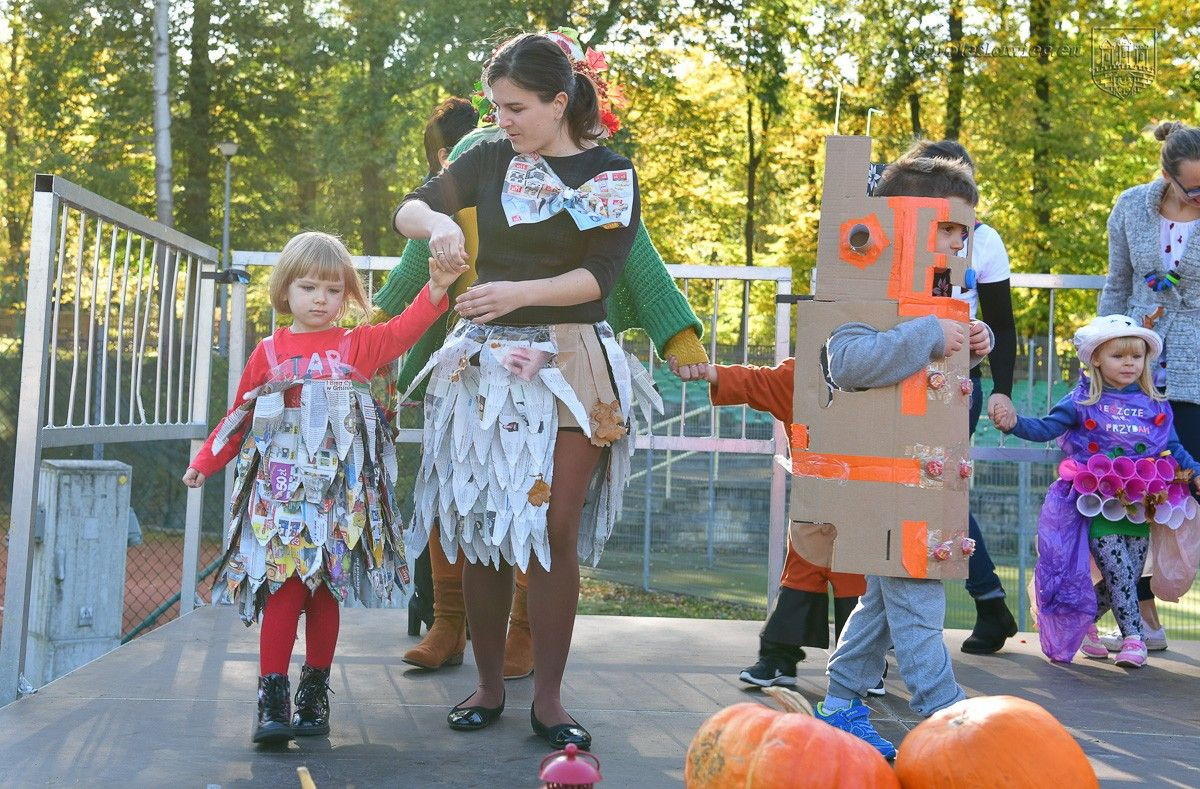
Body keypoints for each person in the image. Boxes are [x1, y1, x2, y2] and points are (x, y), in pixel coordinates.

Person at [375, 32, 706, 681]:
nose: (504, 117)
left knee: (542, 511)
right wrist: (383, 325)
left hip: (566, 356)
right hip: (475, 356)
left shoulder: (603, 171)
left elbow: (627, 258)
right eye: (498, 104)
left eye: (517, 105)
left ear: (562, 98)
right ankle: (448, 622)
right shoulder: (482, 150)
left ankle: (525, 631)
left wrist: (675, 330)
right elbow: (419, 229)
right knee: (456, 496)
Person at [182, 231, 459, 743]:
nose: (320, 299)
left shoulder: (358, 344)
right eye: (308, 287)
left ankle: (314, 694)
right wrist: (207, 460)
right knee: (284, 589)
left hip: (341, 500)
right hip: (281, 499)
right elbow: (240, 415)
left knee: (324, 592)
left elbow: (404, 331)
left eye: (333, 290)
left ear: (347, 296)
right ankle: (271, 699)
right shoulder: (268, 351)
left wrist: (437, 289)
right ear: (284, 290)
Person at [809, 153, 993, 760]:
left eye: (965, 234)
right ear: (907, 227)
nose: (958, 247)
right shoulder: (860, 294)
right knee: (915, 595)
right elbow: (849, 361)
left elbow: (931, 371)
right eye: (947, 232)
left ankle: (839, 702)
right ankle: (944, 713)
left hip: (924, 480)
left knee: (886, 600)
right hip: (883, 482)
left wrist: (971, 342)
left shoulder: (936, 303)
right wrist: (929, 338)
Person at [990, 315, 1200, 667]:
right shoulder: (1081, 401)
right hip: (1094, 505)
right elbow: (1045, 428)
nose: (1130, 363)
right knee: (1116, 566)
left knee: (1126, 575)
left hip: (1140, 504)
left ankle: (1082, 622)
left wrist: (1196, 472)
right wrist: (1013, 424)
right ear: (1096, 359)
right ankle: (1134, 638)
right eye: (1120, 356)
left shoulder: (1156, 405)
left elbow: (1173, 449)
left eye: (1137, 356)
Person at [668, 355, 870, 690]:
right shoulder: (803, 373)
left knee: (857, 586)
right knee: (800, 579)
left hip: (865, 508)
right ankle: (778, 659)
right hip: (813, 507)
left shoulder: (887, 369)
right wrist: (712, 372)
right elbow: (757, 381)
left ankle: (863, 664)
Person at [911, 140, 1020, 654]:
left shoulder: (987, 241)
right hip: (896, 371)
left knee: (938, 486)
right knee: (915, 488)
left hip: (958, 382)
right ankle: (989, 603)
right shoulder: (902, 233)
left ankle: (989, 602)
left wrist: (1002, 388)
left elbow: (1001, 320)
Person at [1098, 120, 1200, 652]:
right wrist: (1099, 351)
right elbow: (1118, 283)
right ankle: (1141, 619)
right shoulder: (1132, 207)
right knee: (1132, 491)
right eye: (1194, 188)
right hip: (1133, 367)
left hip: (1197, 374)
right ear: (1166, 174)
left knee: (1191, 491)